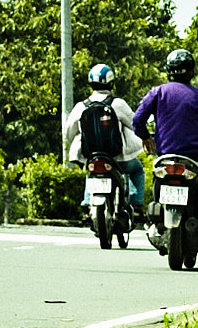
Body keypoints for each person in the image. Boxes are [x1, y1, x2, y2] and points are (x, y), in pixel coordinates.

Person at [133, 49, 198, 225]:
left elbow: (137, 119)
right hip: (193, 160)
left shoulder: (157, 92)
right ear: (191, 71)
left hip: (165, 158)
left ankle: (157, 219)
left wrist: (145, 136)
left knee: (155, 176)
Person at [63, 63, 147, 218]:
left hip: (92, 155)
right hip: (118, 157)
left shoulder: (81, 106)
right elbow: (135, 124)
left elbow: (69, 132)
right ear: (111, 83)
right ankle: (136, 206)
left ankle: (88, 203)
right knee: (137, 171)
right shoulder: (118, 103)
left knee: (91, 170)